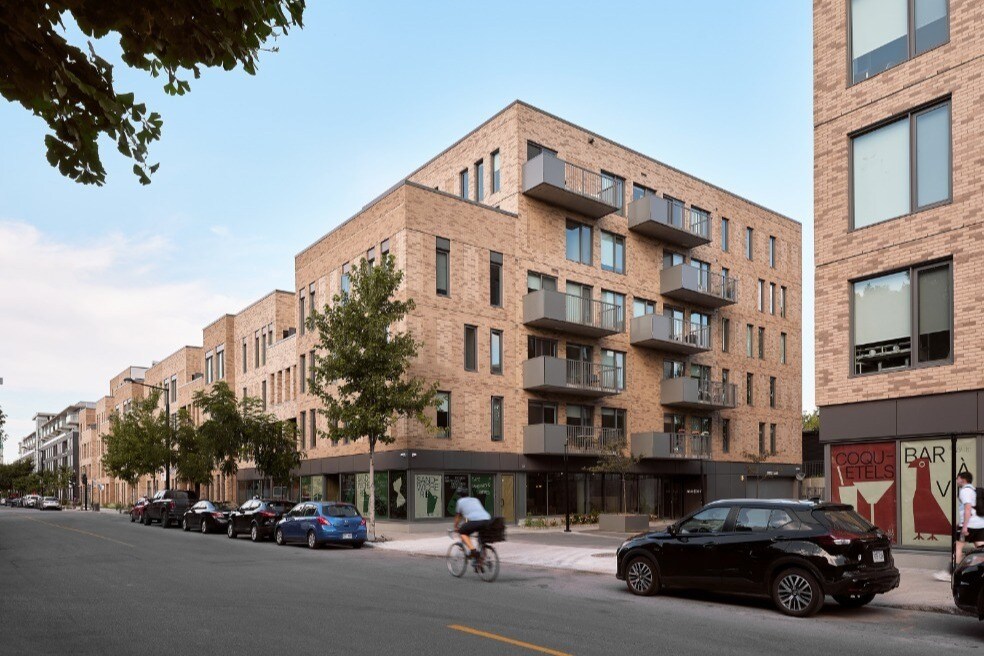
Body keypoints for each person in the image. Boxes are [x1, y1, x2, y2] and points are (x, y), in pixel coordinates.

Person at [453, 487, 491, 559]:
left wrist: (455, 527)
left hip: (475, 521)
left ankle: (473, 551)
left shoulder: (460, 501)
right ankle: (482, 559)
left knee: (463, 532)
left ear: (459, 495)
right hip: (487, 520)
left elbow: (458, 516)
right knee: (481, 539)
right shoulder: (475, 499)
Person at [955, 472, 984, 563]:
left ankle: (954, 569)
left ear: (963, 480)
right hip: (980, 524)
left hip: (969, 525)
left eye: (957, 478)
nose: (956, 481)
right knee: (981, 548)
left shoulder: (965, 491)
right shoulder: (974, 490)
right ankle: (979, 567)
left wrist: (964, 527)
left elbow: (968, 508)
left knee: (957, 547)